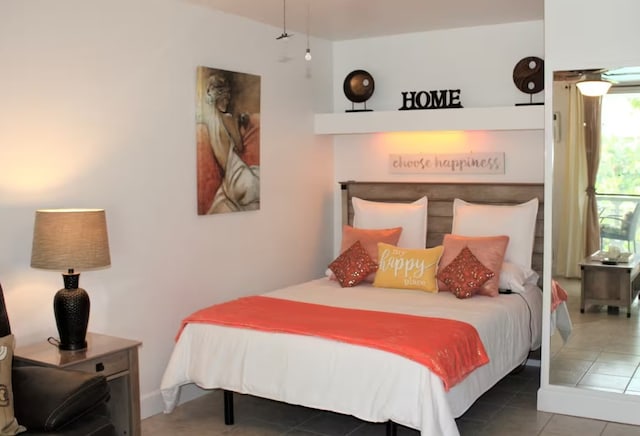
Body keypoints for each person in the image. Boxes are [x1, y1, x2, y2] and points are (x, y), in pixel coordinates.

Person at [202, 72, 260, 214]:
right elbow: (239, 146)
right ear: (219, 98)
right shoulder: (227, 118)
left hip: (229, 183)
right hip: (240, 177)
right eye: (226, 98)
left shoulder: (209, 122)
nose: (227, 101)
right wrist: (240, 125)